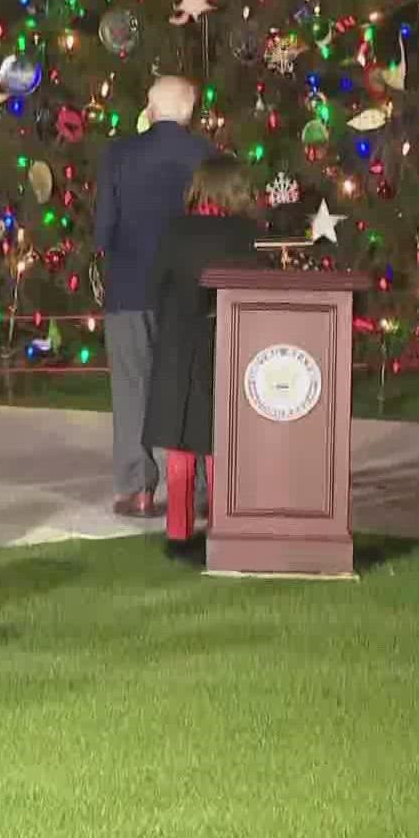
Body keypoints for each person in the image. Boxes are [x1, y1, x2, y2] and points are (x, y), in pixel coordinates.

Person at [94, 77, 214, 519]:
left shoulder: (120, 154)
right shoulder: (207, 156)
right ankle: (202, 490)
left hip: (130, 286)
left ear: (151, 107)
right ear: (191, 111)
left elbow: (103, 228)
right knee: (193, 387)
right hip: (189, 289)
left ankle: (138, 489)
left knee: (131, 388)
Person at [141, 155, 265, 560]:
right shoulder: (247, 233)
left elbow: (156, 284)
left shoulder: (177, 229)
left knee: (180, 445)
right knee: (220, 440)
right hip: (227, 343)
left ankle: (178, 533)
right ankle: (223, 529)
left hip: (179, 345)